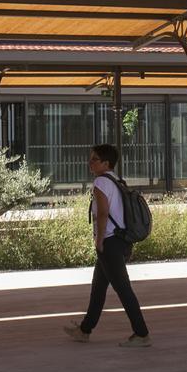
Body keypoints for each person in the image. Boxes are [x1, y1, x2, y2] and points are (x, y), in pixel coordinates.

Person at [64, 144, 152, 347]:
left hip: (110, 243)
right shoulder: (116, 181)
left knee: (123, 289)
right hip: (121, 241)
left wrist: (99, 240)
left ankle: (142, 334)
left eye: (95, 159)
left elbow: (102, 213)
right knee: (98, 288)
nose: (90, 162)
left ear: (106, 163)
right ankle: (84, 330)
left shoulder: (101, 182)